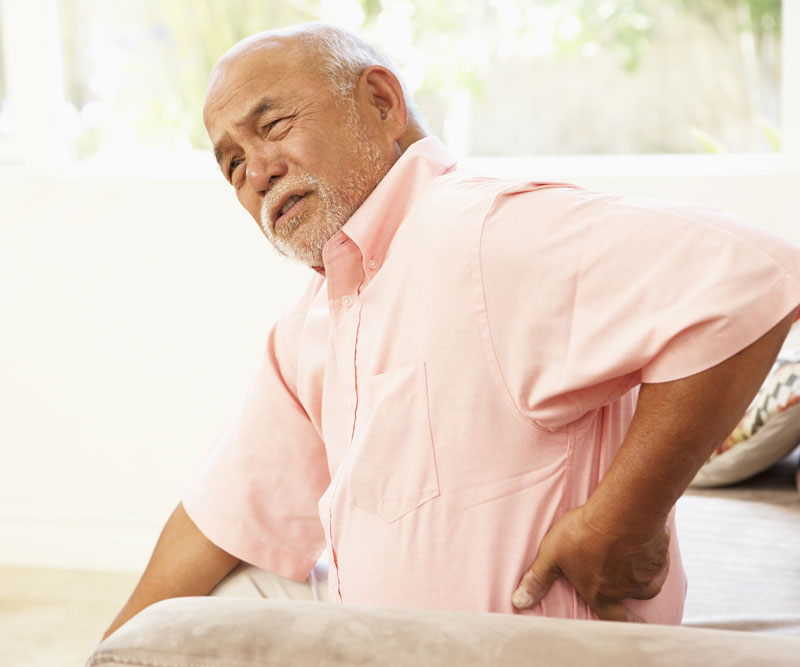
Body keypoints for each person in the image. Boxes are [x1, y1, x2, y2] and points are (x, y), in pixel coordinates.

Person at [103, 22, 800, 640]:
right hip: (385, 636)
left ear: (381, 102)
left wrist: (626, 516)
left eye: (274, 125)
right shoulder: (314, 318)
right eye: (230, 164)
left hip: (535, 650)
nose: (255, 172)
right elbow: (216, 515)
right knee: (209, 607)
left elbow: (756, 275)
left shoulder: (481, 234)